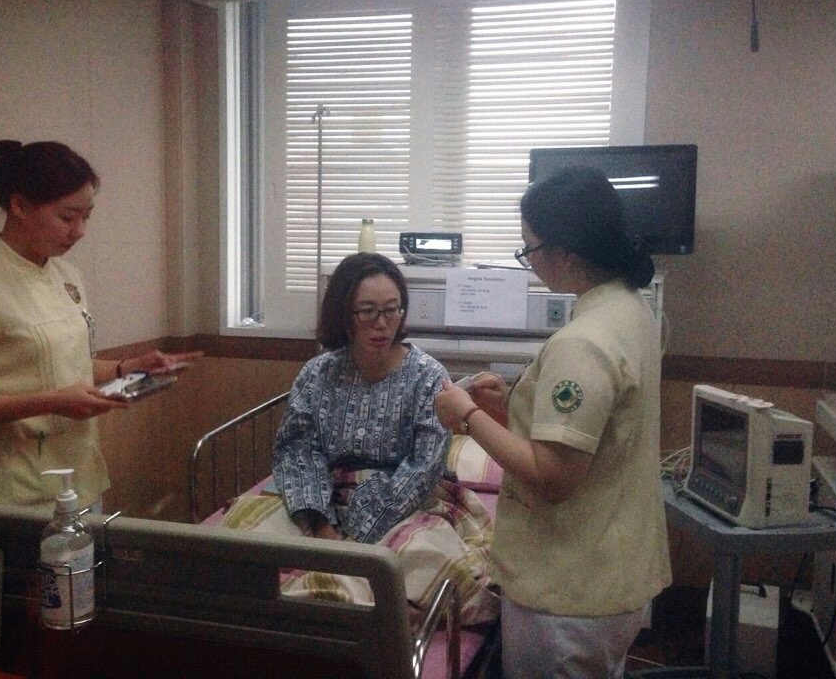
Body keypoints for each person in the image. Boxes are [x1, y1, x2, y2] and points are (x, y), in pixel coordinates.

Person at [435, 166, 672, 679]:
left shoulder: (582, 342)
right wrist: (512, 407)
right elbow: (601, 431)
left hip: (569, 591)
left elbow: (553, 477)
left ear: (564, 253)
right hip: (613, 570)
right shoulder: (631, 310)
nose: (530, 260)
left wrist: (467, 416)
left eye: (530, 249)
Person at [0, 139, 201, 509]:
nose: (80, 231)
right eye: (67, 217)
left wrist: (129, 368)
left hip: (82, 480)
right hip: (17, 494)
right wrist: (50, 403)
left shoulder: (67, 277)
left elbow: (66, 365)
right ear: (19, 205)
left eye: (87, 217)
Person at [272, 252, 451, 544]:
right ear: (343, 313)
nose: (382, 324)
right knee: (259, 545)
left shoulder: (429, 377)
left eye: (392, 310)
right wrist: (322, 524)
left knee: (416, 552)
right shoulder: (318, 373)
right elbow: (297, 451)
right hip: (322, 501)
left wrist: (359, 534)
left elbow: (424, 467)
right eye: (368, 311)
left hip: (403, 504)